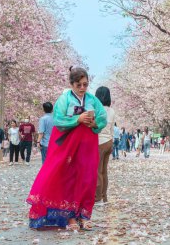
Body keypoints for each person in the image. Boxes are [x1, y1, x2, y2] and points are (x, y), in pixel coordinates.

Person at [26, 66, 107, 231]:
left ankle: (84, 215)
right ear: (72, 84)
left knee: (88, 177)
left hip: (88, 144)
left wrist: (94, 122)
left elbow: (102, 116)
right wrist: (77, 119)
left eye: (85, 84)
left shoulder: (92, 99)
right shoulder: (64, 99)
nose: (83, 88)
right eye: (79, 85)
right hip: (69, 145)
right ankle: (69, 216)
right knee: (68, 177)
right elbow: (58, 119)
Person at [95, 86, 114, 205]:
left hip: (99, 141)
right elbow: (111, 128)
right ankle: (104, 196)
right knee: (104, 171)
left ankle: (97, 199)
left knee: (97, 171)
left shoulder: (97, 109)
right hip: (109, 141)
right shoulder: (112, 111)